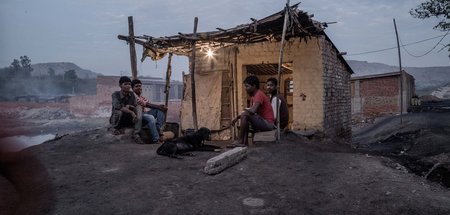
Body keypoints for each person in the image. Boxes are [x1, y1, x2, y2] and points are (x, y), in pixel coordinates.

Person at [229, 75, 275, 147]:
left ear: (254, 86)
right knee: (245, 116)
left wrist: (241, 114)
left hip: (268, 123)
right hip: (263, 121)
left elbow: (253, 111)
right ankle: (244, 142)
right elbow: (250, 112)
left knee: (245, 115)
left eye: (247, 86)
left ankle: (240, 140)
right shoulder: (254, 96)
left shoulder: (259, 94)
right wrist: (238, 117)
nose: (245, 89)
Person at [109, 76, 143, 144]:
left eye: (129, 84)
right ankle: (113, 128)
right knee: (119, 112)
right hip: (118, 119)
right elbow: (118, 106)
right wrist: (131, 112)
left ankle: (136, 134)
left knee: (139, 107)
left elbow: (135, 105)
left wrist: (130, 106)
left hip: (128, 119)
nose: (128, 86)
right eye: (125, 84)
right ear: (120, 85)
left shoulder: (132, 94)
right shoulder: (115, 94)